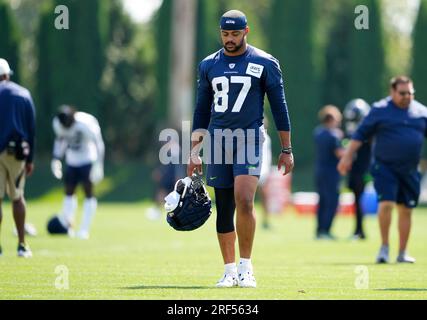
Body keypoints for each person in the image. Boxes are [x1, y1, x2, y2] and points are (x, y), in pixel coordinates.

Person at [187, 10, 293, 288]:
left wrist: (287, 148)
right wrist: (194, 151)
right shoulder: (209, 65)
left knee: (244, 199)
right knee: (223, 207)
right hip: (218, 139)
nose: (230, 39)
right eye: (225, 34)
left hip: (249, 138)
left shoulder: (264, 62)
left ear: (246, 31)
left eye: (235, 34)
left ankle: (247, 267)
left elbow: (279, 107)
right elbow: (201, 110)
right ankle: (229, 269)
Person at [338, 76, 426, 264]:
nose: (407, 97)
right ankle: (384, 248)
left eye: (410, 93)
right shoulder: (380, 110)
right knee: (386, 204)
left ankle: (402, 252)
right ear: (392, 92)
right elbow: (360, 134)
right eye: (402, 93)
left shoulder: (421, 112)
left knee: (407, 209)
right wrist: (347, 157)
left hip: (410, 169)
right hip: (385, 166)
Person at [51, 105, 105, 239]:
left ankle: (84, 228)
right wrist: (56, 158)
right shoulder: (58, 124)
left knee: (88, 193)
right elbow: (60, 140)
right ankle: (68, 226)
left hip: (87, 159)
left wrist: (99, 164)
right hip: (71, 161)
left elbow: (98, 143)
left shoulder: (86, 123)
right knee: (69, 192)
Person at [0, 58, 35, 257]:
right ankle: (22, 244)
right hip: (15, 153)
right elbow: (31, 130)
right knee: (17, 197)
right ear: (6, 75)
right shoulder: (22, 93)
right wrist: (31, 160)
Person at [313, 105, 345, 240]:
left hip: (320, 170)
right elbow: (339, 154)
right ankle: (326, 230)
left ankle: (320, 230)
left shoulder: (318, 132)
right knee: (332, 202)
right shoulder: (334, 135)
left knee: (322, 201)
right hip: (331, 172)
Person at [343, 99, 372, 240]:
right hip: (356, 170)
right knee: (357, 200)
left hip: (363, 171)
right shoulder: (357, 134)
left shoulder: (368, 135)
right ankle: (359, 230)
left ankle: (360, 230)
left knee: (360, 201)